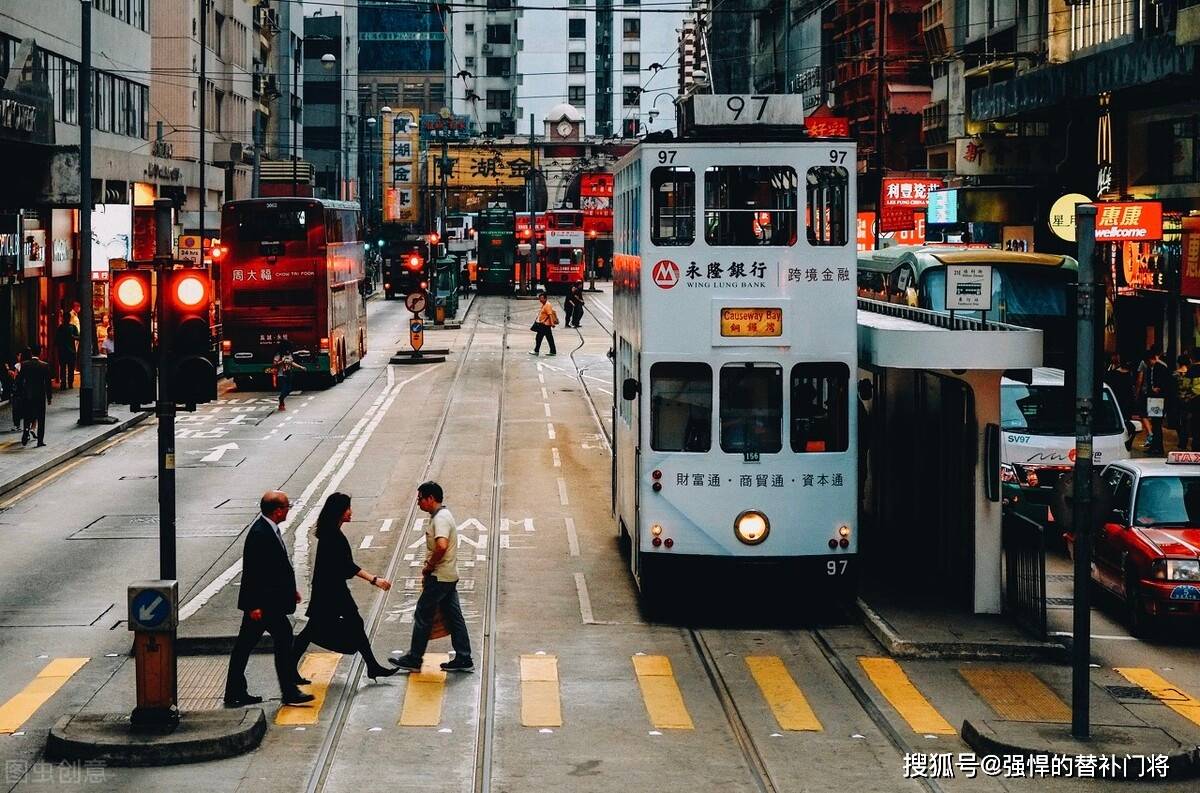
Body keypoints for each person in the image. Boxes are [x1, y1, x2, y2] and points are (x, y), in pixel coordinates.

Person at [224, 490, 314, 707]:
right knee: (278, 639)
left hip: (269, 602)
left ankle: (236, 691)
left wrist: (290, 591)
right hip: (264, 605)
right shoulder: (260, 533)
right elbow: (253, 571)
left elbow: (276, 568)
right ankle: (288, 691)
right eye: (287, 507)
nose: (289, 510)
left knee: (247, 646)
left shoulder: (269, 529)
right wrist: (253, 605)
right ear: (277, 511)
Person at [292, 493, 397, 681]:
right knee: (312, 630)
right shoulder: (333, 536)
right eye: (348, 508)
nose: (351, 511)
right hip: (329, 592)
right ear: (339, 512)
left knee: (350, 624)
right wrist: (375, 580)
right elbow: (347, 566)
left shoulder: (331, 532)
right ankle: (288, 670)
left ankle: (372, 666)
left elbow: (344, 566)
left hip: (332, 589)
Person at [391, 481, 473, 673]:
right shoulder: (443, 515)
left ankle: (414, 658)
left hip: (439, 577)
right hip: (449, 576)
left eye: (420, 499)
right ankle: (463, 657)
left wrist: (429, 566)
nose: (418, 503)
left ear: (431, 498)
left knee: (423, 613)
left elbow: (442, 545)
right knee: (454, 616)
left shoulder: (440, 519)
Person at [14, 346, 51, 448]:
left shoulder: (25, 365)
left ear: (31, 354)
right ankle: (40, 441)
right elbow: (48, 383)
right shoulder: (44, 365)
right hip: (40, 395)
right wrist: (49, 397)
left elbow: (20, 380)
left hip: (27, 394)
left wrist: (21, 392)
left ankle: (26, 429)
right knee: (41, 418)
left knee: (27, 415)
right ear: (40, 352)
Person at [1145, 348, 1170, 455]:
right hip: (1155, 399)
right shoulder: (1154, 367)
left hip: (1158, 399)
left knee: (1156, 424)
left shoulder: (1160, 367)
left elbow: (1164, 383)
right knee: (1155, 424)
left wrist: (1156, 388)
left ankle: (1158, 447)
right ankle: (1156, 446)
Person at [272, 342, 305, 412]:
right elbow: (274, 364)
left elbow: (292, 363)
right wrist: (282, 361)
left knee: (289, 389)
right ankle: (281, 401)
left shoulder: (290, 355)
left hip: (289, 374)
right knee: (284, 388)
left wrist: (300, 367)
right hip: (281, 375)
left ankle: (282, 399)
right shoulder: (279, 355)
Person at [54, 311, 78, 391]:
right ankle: (67, 383)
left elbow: (56, 341)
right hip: (67, 351)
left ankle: (66, 383)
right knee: (67, 368)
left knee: (66, 368)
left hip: (64, 351)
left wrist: (72, 337)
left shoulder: (62, 328)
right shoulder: (63, 328)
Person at [529, 292, 558, 357]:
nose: (540, 300)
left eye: (541, 298)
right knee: (549, 338)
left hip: (544, 325)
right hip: (545, 325)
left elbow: (550, 314)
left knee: (539, 338)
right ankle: (553, 351)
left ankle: (536, 351)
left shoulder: (547, 305)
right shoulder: (544, 304)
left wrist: (552, 323)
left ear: (545, 298)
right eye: (540, 298)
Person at [1175, 354, 1194, 451]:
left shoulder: (1174, 374)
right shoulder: (1191, 373)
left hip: (1178, 401)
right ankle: (1184, 441)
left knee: (1179, 422)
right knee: (1187, 422)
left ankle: (1182, 441)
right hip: (1189, 400)